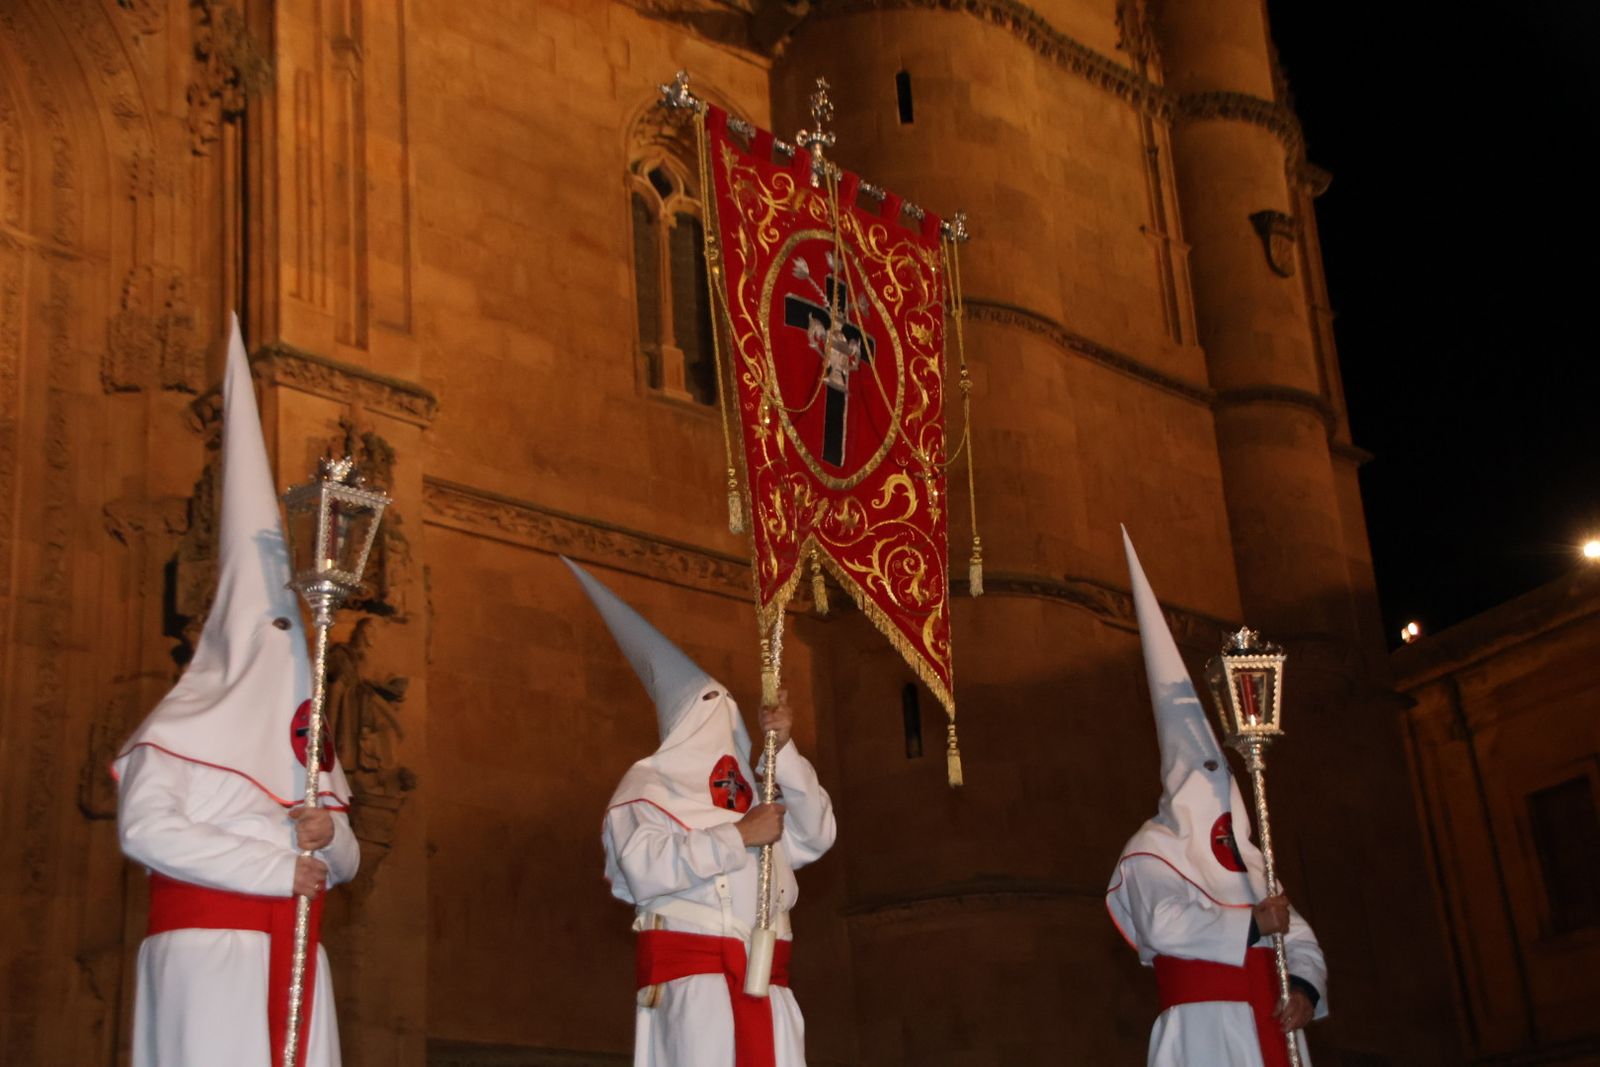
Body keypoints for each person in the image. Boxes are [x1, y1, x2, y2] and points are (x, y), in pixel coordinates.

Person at [114, 315, 359, 1067]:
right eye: (272, 629)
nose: (286, 648)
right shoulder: (180, 725)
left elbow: (345, 850)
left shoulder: (301, 728)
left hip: (294, 944)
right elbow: (147, 832)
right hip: (208, 950)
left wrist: (328, 841)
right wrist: (273, 866)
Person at [564, 558, 837, 1067]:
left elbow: (817, 834)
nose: (723, 718)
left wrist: (784, 747)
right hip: (698, 990)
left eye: (727, 708)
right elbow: (644, 868)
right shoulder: (648, 786)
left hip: (768, 984)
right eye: (710, 708)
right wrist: (738, 838)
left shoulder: (755, 790)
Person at [1107, 530, 1328, 1067]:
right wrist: (1253, 924)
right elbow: (1164, 923)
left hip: (1271, 1023)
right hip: (1202, 1028)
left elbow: (1299, 936)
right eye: (1204, 775)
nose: (1215, 786)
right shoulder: (1152, 849)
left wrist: (1301, 989)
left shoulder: (1253, 857)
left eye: (1220, 774)